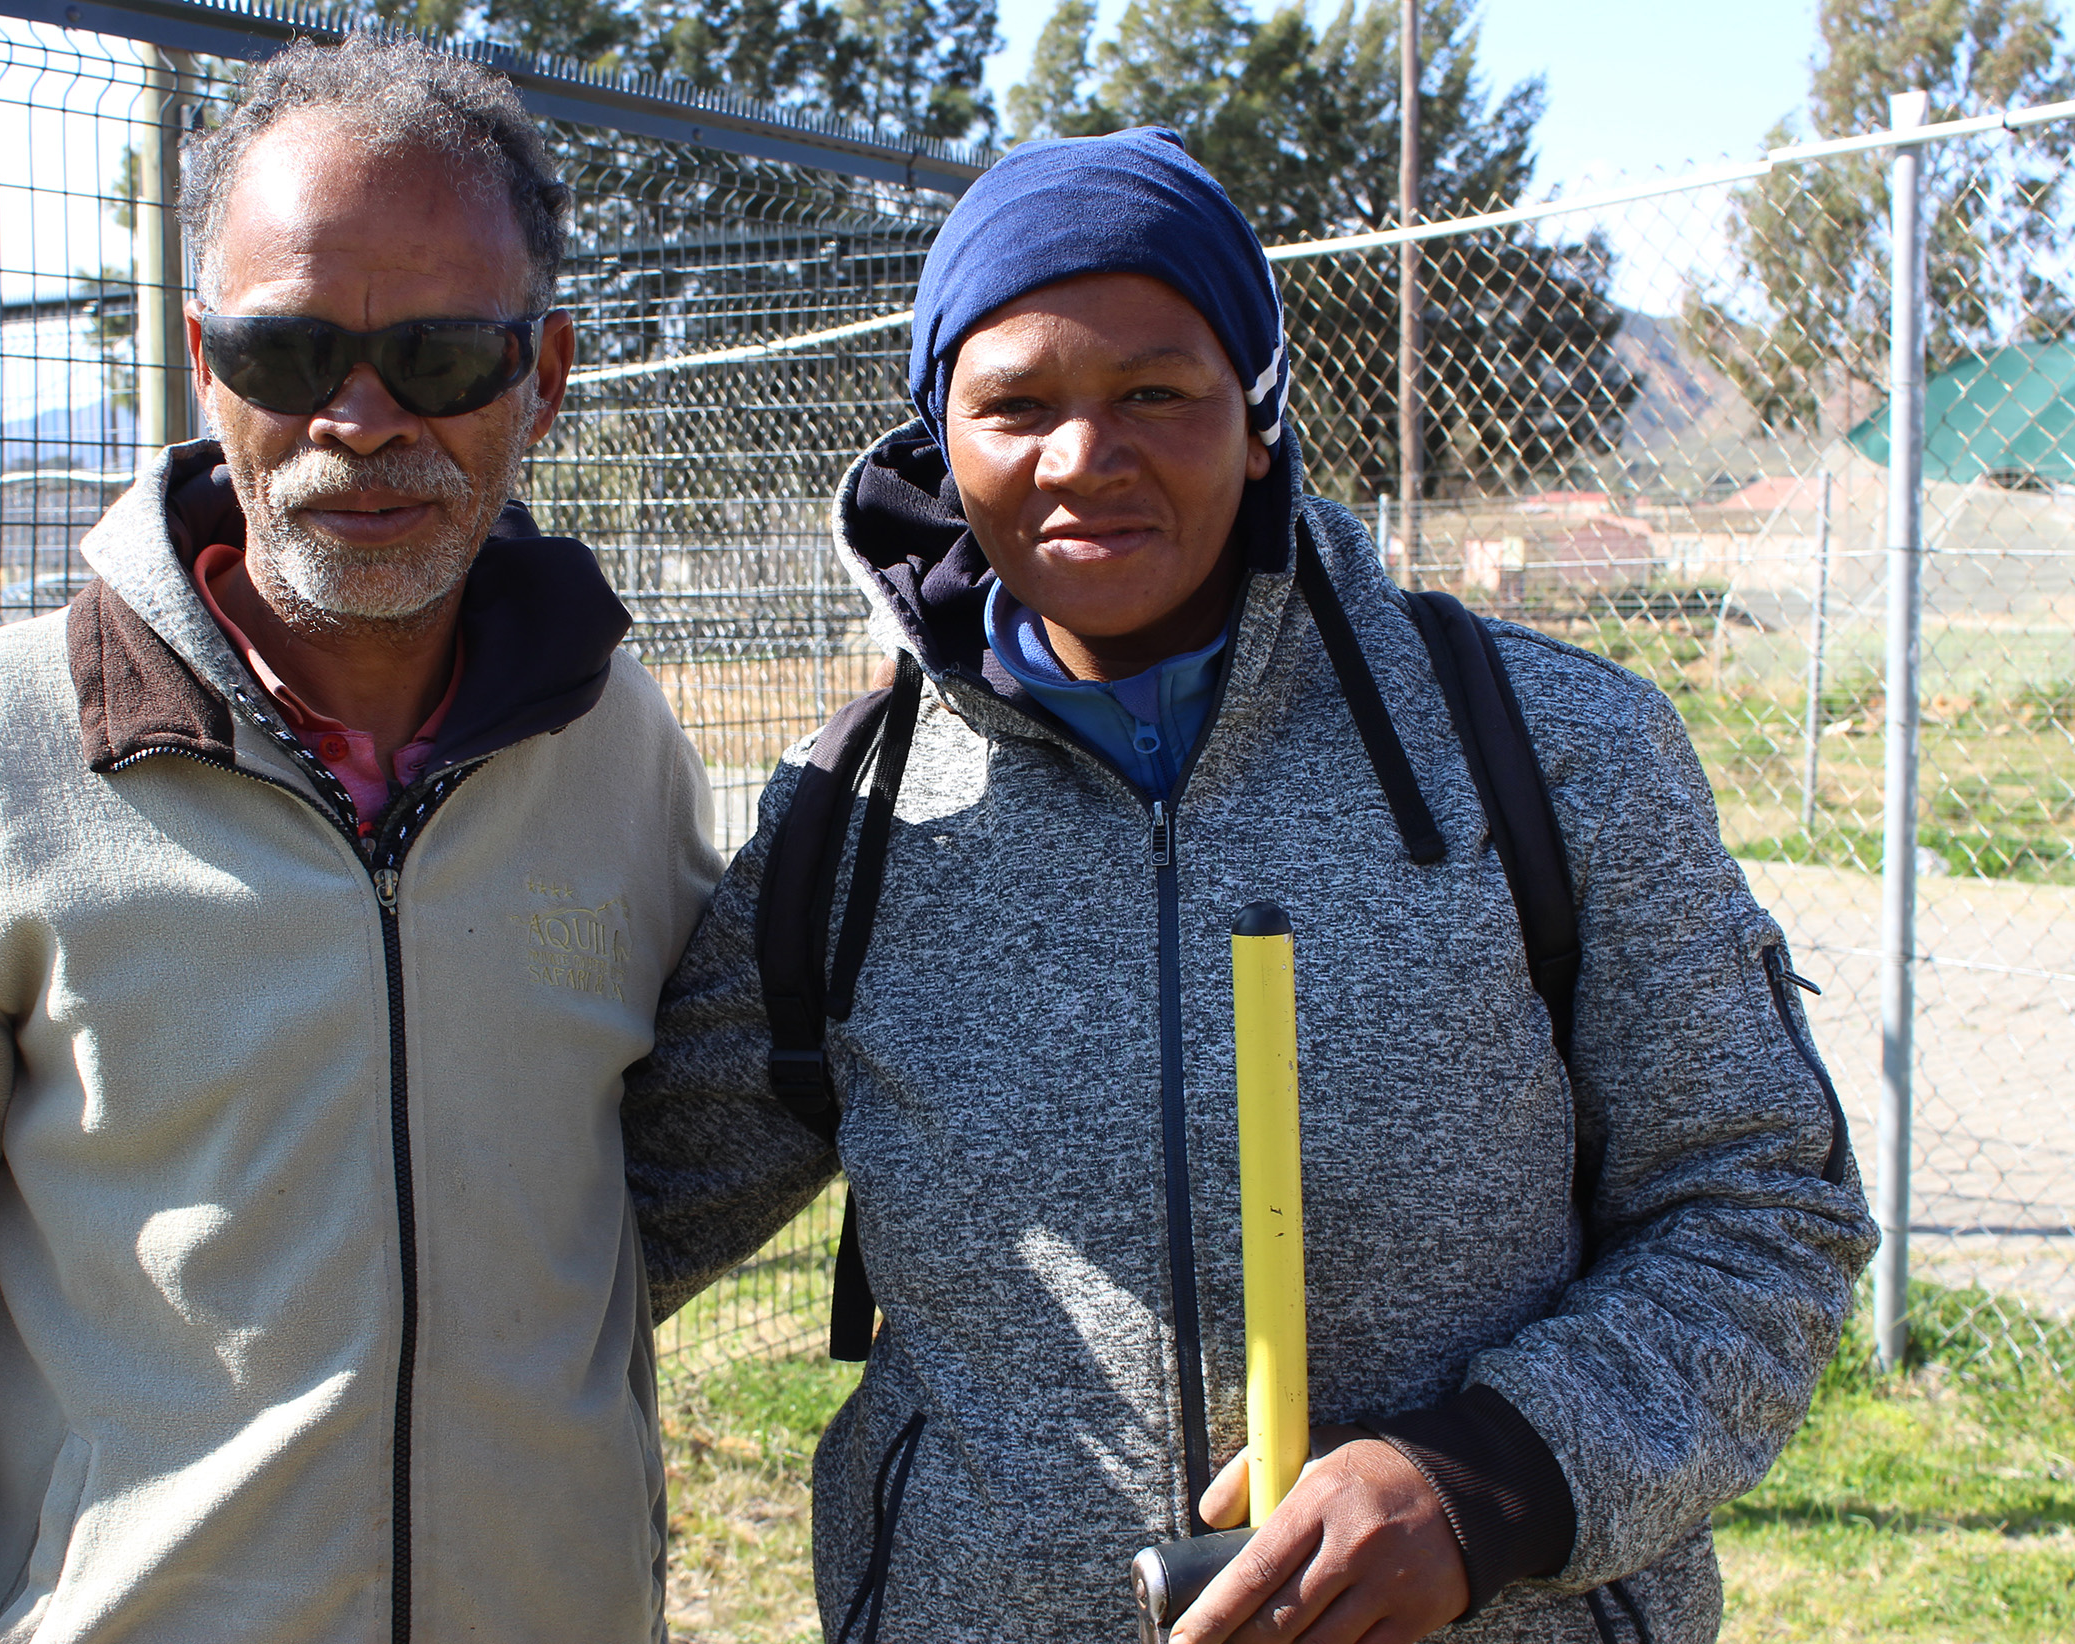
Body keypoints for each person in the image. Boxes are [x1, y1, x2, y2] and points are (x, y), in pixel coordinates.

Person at [624, 128, 1875, 1644]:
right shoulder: (853, 821)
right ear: (934, 439)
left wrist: (1489, 1490)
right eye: (1014, 403)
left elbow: (1759, 1214)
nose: (1086, 456)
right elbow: (601, 1224)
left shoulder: (1555, 753)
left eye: (1157, 391)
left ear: (1261, 417)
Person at [0, 36, 717, 1643]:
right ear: (203, 364)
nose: (359, 417)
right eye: (286, 352)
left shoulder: (616, 748)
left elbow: (660, 1171)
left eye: (440, 356)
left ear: (543, 377)